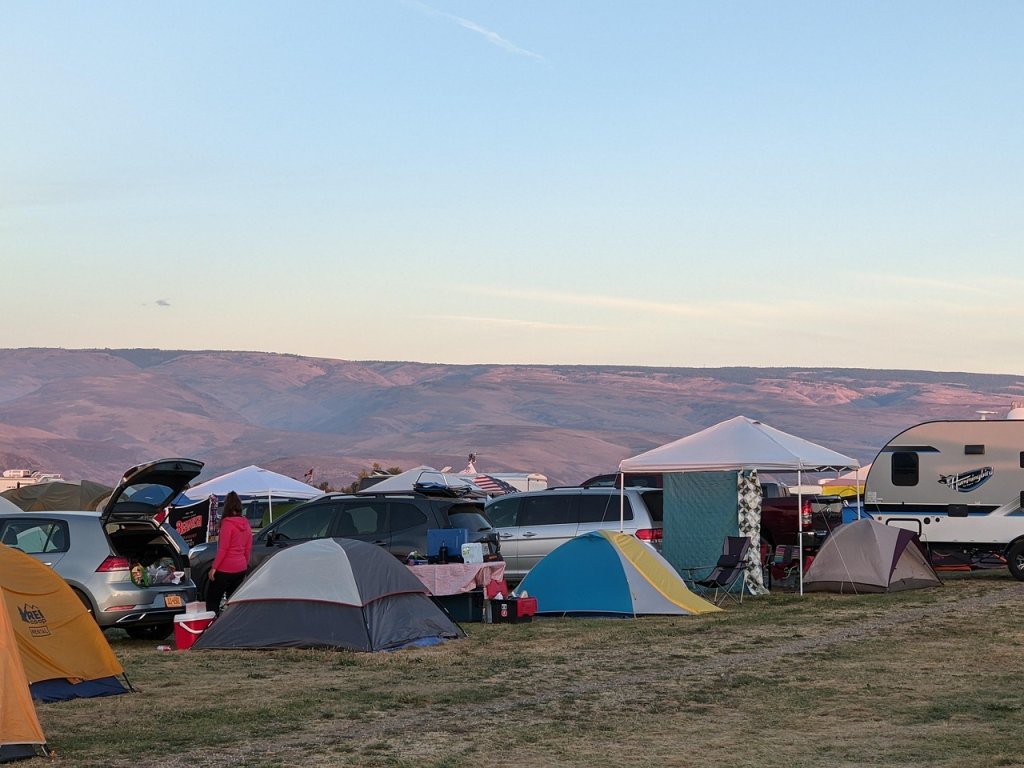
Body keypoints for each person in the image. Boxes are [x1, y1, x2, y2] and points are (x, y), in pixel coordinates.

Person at [205, 491, 252, 615]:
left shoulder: (227, 524)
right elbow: (248, 548)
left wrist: (214, 568)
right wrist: (245, 565)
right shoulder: (246, 523)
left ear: (226, 506)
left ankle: (212, 627)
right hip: (240, 568)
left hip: (225, 569)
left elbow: (223, 549)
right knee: (234, 602)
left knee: (212, 600)